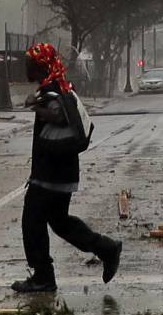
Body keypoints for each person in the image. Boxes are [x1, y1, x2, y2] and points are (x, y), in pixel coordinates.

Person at [12, 41, 122, 296]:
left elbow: (59, 114)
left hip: (51, 171)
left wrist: (36, 106)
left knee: (32, 222)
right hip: (62, 170)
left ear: (40, 65)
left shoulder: (53, 90)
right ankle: (106, 248)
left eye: (30, 63)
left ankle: (43, 277)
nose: (25, 67)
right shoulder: (59, 85)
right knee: (60, 222)